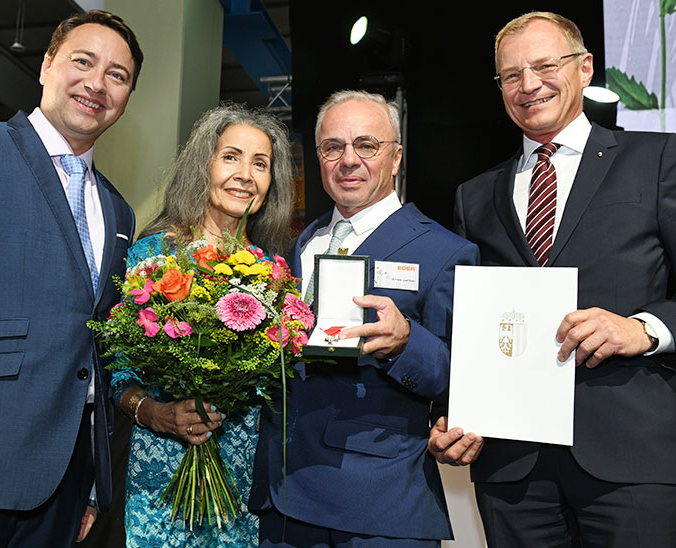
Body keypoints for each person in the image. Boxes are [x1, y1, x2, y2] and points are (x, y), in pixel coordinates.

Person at [430, 11, 676, 548]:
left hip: (630, 453)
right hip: (511, 465)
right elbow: (465, 324)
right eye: (511, 75)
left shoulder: (657, 159)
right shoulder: (475, 195)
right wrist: (452, 411)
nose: (528, 85)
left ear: (585, 68)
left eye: (545, 65)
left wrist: (647, 328)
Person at [0, 9, 142, 548]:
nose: (97, 84)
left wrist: (95, 484)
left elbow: (95, 352)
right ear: (47, 65)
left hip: (67, 485)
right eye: (83, 61)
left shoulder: (118, 211)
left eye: (118, 76)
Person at [249, 90, 479, 547]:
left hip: (379, 503)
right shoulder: (302, 243)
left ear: (395, 158)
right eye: (333, 147)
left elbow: (466, 378)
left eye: (366, 145)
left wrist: (407, 340)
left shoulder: (446, 252)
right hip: (284, 497)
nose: (348, 160)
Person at [112, 102, 294, 547]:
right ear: (203, 165)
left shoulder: (275, 275)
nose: (245, 174)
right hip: (160, 473)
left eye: (260, 164)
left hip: (242, 480)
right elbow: (117, 373)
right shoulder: (152, 258)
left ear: (271, 184)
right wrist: (155, 413)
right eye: (230, 156)